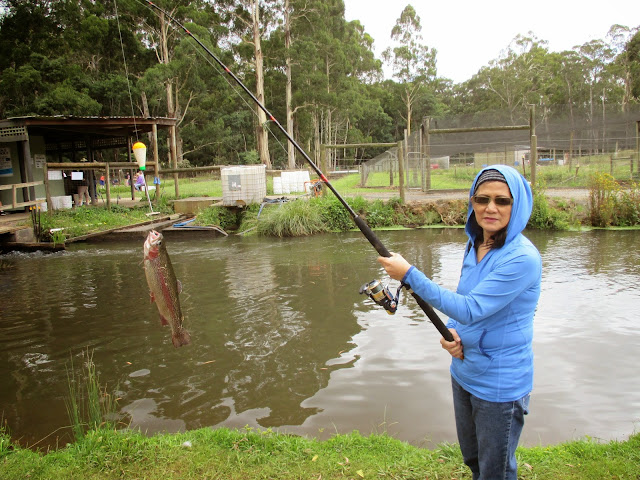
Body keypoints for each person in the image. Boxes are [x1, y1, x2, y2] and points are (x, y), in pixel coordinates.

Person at [377, 165, 542, 480]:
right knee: (473, 459)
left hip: (499, 384)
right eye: (482, 199)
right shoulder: (476, 243)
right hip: (464, 371)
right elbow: (465, 300)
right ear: (472, 202)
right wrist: (452, 330)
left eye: (502, 201)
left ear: (517, 205)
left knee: (495, 471)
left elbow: (471, 308)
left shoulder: (523, 258)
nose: (490, 208)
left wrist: (409, 275)